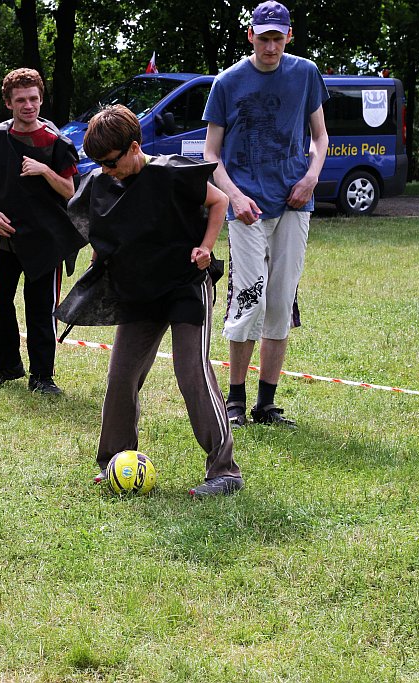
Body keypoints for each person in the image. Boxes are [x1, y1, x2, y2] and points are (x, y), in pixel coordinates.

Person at [57, 104, 242, 497]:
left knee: (190, 371)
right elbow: (100, 230)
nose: (105, 170)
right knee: (121, 376)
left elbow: (219, 202)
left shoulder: (170, 173)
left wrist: (206, 248)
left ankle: (224, 471)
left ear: (134, 147)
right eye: (99, 164)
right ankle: (114, 461)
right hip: (138, 291)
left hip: (184, 285)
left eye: (110, 162)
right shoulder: (100, 183)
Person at [202, 0, 329, 428]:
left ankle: (266, 404)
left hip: (295, 203)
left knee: (280, 301)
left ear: (288, 36)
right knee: (249, 298)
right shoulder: (228, 82)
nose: (271, 47)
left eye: (278, 38)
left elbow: (320, 137)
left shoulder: (306, 73)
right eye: (264, 37)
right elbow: (210, 153)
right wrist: (234, 197)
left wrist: (311, 176)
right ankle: (234, 401)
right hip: (247, 209)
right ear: (250, 35)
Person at [0, 68, 86, 395]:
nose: (28, 105)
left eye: (33, 98)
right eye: (21, 100)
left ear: (41, 99)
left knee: (40, 310)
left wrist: (44, 169)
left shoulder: (55, 142)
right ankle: (6, 367)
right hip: (6, 239)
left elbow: (69, 190)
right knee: (2, 304)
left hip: (45, 243)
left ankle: (42, 378)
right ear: (8, 103)